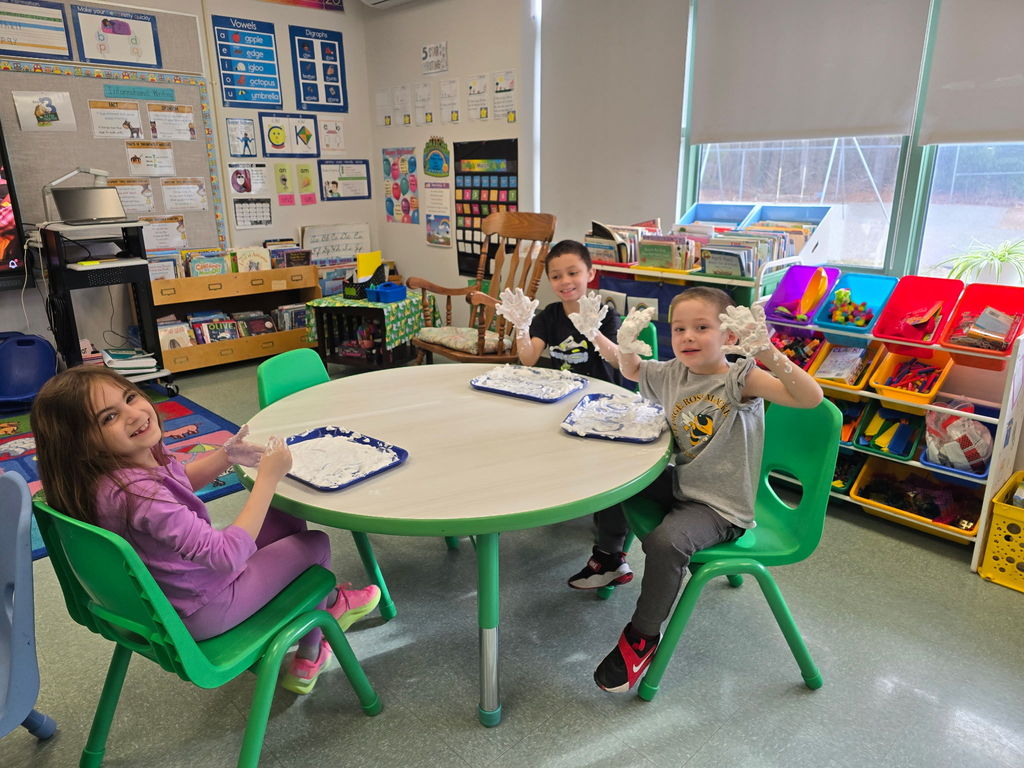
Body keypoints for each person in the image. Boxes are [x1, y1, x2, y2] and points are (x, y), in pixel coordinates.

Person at [29, 367, 381, 695]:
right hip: (205, 608)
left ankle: (324, 601)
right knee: (314, 544)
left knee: (280, 513)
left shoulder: (110, 472)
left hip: (177, 593)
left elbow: (178, 482)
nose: (134, 414)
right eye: (109, 417)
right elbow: (226, 556)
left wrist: (227, 455)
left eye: (130, 397)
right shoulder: (141, 497)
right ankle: (311, 650)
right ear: (81, 443)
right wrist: (269, 477)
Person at [580, 286, 823, 692]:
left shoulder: (741, 378)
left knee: (665, 542)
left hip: (720, 505)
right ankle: (609, 559)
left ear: (729, 337)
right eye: (678, 329)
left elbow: (811, 398)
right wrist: (605, 338)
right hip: (683, 485)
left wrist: (766, 352)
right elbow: (631, 369)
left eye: (701, 327)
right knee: (614, 479)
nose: (687, 337)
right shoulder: (674, 371)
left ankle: (642, 637)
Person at [496, 239, 633, 584]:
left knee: (608, 471)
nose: (565, 281)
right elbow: (528, 358)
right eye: (556, 276)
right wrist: (522, 327)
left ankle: (611, 549)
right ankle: (562, 495)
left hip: (606, 405)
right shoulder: (550, 316)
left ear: (591, 273)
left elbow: (619, 361)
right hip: (564, 401)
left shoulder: (605, 311)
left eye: (573, 272)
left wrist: (593, 331)